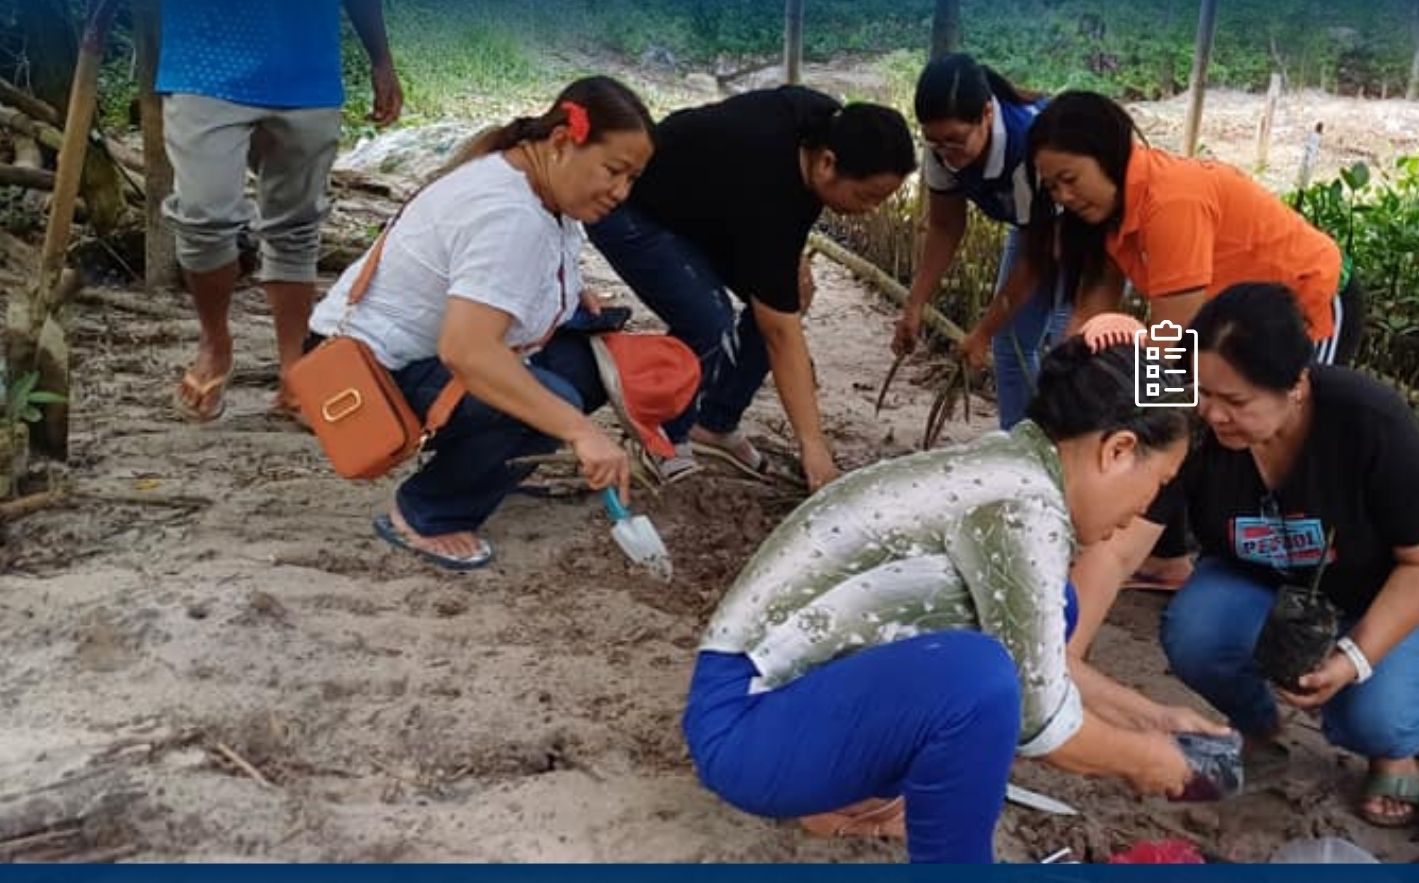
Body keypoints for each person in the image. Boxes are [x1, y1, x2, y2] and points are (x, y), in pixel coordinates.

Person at [683, 337, 1220, 883]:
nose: (1150, 508)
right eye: (1161, 481)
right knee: (977, 682)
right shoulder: (1021, 505)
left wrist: (1151, 717)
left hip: (770, 703)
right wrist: (1154, 764)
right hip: (746, 730)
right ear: (1118, 450)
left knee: (1034, 626)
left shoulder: (1012, 468)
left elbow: (1040, 660)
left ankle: (845, 796)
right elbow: (1040, 720)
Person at [1068, 285, 1419, 827]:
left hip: (1369, 600)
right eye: (1202, 391)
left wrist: (1354, 656)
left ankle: (1394, 754)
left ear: (1296, 385)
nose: (1212, 413)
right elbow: (1115, 551)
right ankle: (1258, 726)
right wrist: (1065, 653)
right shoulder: (1187, 418)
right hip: (1255, 584)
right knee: (1196, 631)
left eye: (1236, 402)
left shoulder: (1369, 421)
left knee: (1377, 717)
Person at [305, 77, 658, 571]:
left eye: (632, 179)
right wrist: (580, 432)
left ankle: (485, 470)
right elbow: (467, 352)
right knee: (554, 401)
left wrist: (568, 293)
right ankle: (427, 513)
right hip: (366, 375)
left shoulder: (537, 183)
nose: (621, 192)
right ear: (561, 142)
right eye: (614, 171)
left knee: (590, 366)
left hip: (413, 356)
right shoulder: (509, 213)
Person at [1026, 90, 1366, 591]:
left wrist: (1117, 419)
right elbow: (1088, 318)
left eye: (1070, 179)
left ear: (1107, 154)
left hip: (1307, 300)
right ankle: (1168, 557)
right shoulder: (1106, 215)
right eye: (1052, 187)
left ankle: (1303, 574)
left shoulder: (1171, 202)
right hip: (1226, 320)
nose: (1064, 197)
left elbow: (1174, 348)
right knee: (1175, 414)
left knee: (1271, 425)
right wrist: (1061, 401)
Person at [588, 87, 915, 491]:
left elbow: (775, 224)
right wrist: (813, 447)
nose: (870, 209)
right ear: (827, 163)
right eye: (867, 196)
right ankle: (661, 434)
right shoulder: (765, 186)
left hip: (705, 211)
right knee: (709, 320)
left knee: (791, 296)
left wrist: (792, 257)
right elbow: (780, 334)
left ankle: (715, 423)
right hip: (629, 208)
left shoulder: (822, 120)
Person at [160, 0, 403, 423]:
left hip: (305, 68)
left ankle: (295, 364)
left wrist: (381, 59)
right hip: (203, 65)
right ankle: (215, 343)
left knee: (296, 223)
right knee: (202, 217)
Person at [891, 53, 1068, 429]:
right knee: (1017, 345)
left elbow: (1036, 258)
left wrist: (983, 332)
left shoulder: (1028, 146)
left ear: (987, 115)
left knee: (1073, 350)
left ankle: (1094, 445)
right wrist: (915, 303)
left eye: (955, 141)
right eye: (936, 143)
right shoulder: (943, 150)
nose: (946, 153)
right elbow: (945, 226)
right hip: (1042, 228)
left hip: (1091, 236)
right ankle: (1023, 446)